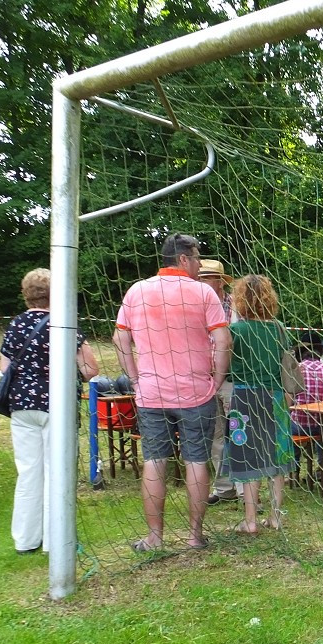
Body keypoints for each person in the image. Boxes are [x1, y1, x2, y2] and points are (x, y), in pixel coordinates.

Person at [113, 233, 231, 552]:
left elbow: (120, 339)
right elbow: (223, 341)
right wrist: (217, 379)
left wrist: (135, 378)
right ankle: (195, 536)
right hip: (196, 392)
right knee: (196, 461)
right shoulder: (204, 294)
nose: (198, 265)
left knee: (154, 461)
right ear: (182, 259)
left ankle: (154, 536)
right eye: (196, 259)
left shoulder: (137, 290)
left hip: (151, 393)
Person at [0, 269, 99, 554]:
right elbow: (91, 369)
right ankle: (56, 538)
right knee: (56, 471)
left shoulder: (15, 325)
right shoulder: (64, 325)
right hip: (57, 406)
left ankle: (26, 539)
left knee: (28, 472)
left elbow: (5, 369)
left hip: (22, 406)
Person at [226, 274, 295, 534]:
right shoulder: (278, 328)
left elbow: (225, 362)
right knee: (276, 456)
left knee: (248, 457)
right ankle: (276, 517)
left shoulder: (236, 330)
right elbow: (285, 364)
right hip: (275, 397)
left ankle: (251, 521)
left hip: (244, 398)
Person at [198, 258, 240, 505]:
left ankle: (247, 492)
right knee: (215, 435)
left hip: (232, 379)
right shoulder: (196, 304)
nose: (201, 283)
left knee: (238, 432)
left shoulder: (236, 305)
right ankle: (225, 488)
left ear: (219, 281)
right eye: (199, 279)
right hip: (204, 378)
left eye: (206, 279)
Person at [290, 333, 323, 478]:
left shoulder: (296, 370)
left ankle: (294, 469)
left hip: (301, 426)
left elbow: (289, 400)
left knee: (287, 421)